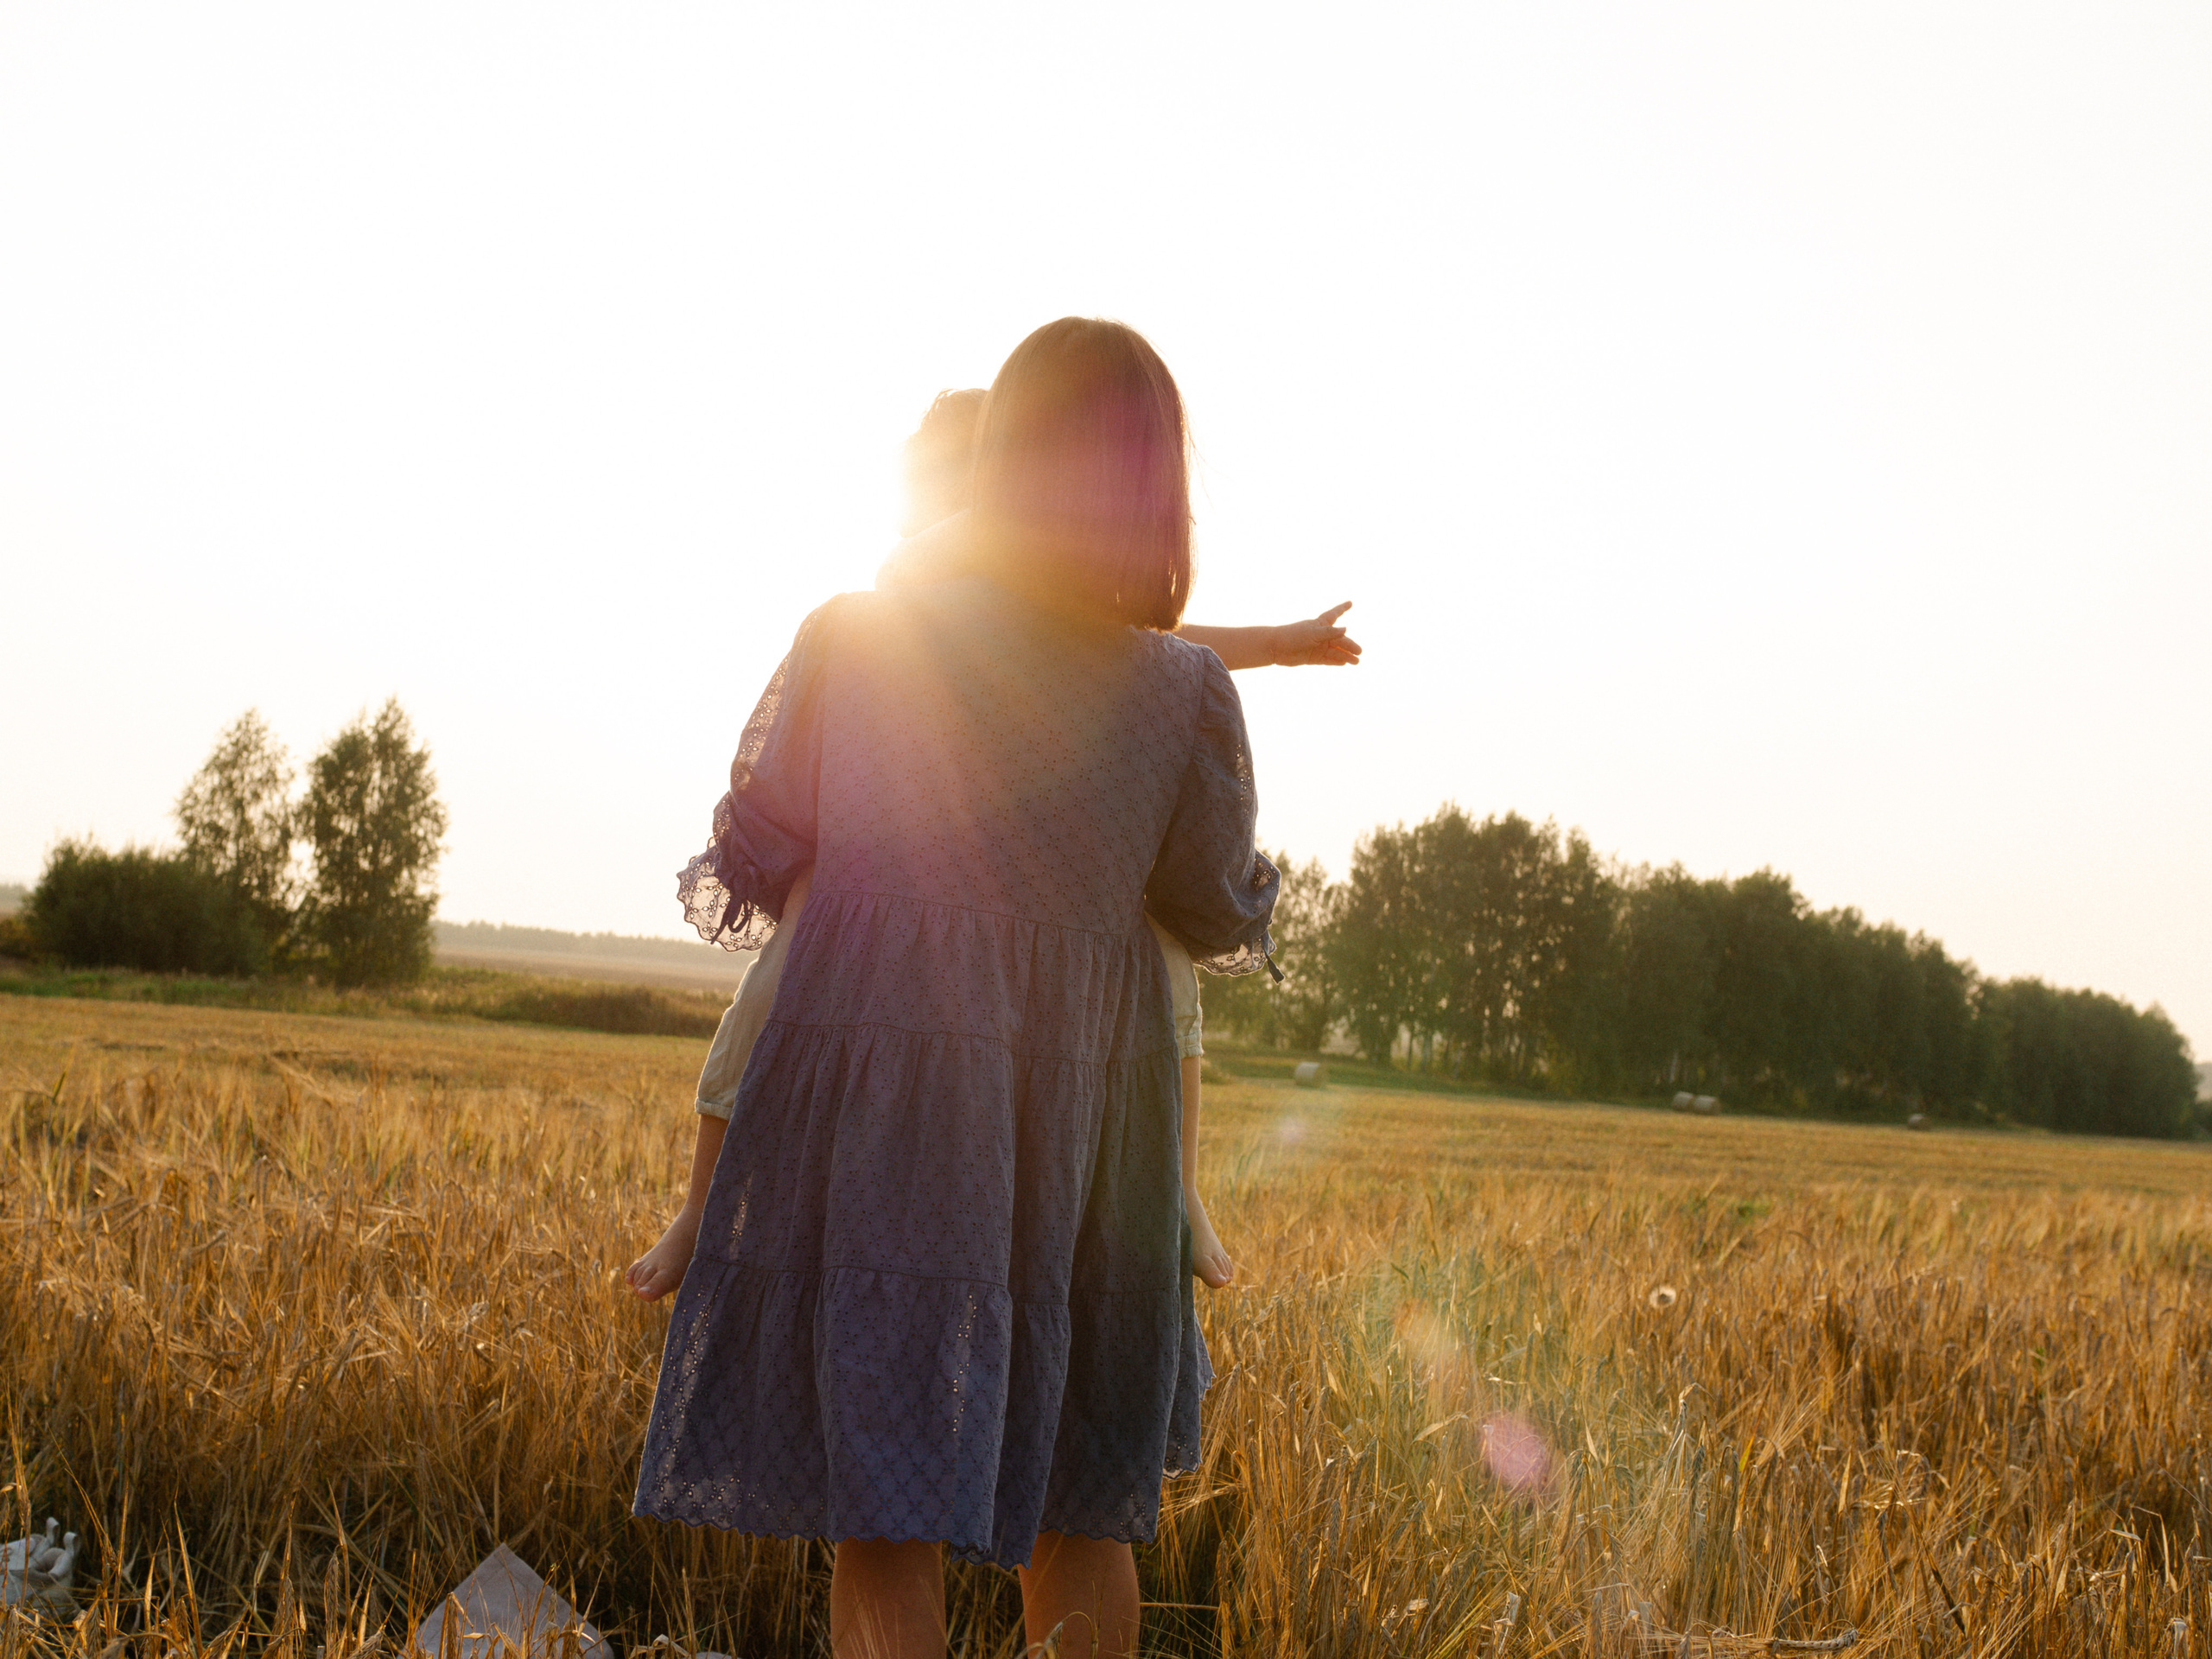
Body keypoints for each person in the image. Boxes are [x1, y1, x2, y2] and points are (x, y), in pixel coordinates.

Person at [629, 318, 1280, 1659]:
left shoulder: (858, 638)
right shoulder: (1183, 693)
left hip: (886, 1123)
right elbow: (1217, 908)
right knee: (1080, 1509)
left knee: (884, 1512)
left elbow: (756, 851)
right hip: (1088, 1137)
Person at [626, 389, 1360, 1306]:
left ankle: (1177, 1189)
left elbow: (1159, 640)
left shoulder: (1062, 599)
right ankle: (703, 1206)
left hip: (1034, 856)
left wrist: (1280, 644)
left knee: (1164, 963)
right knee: (780, 974)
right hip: (893, 850)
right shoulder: (915, 575)